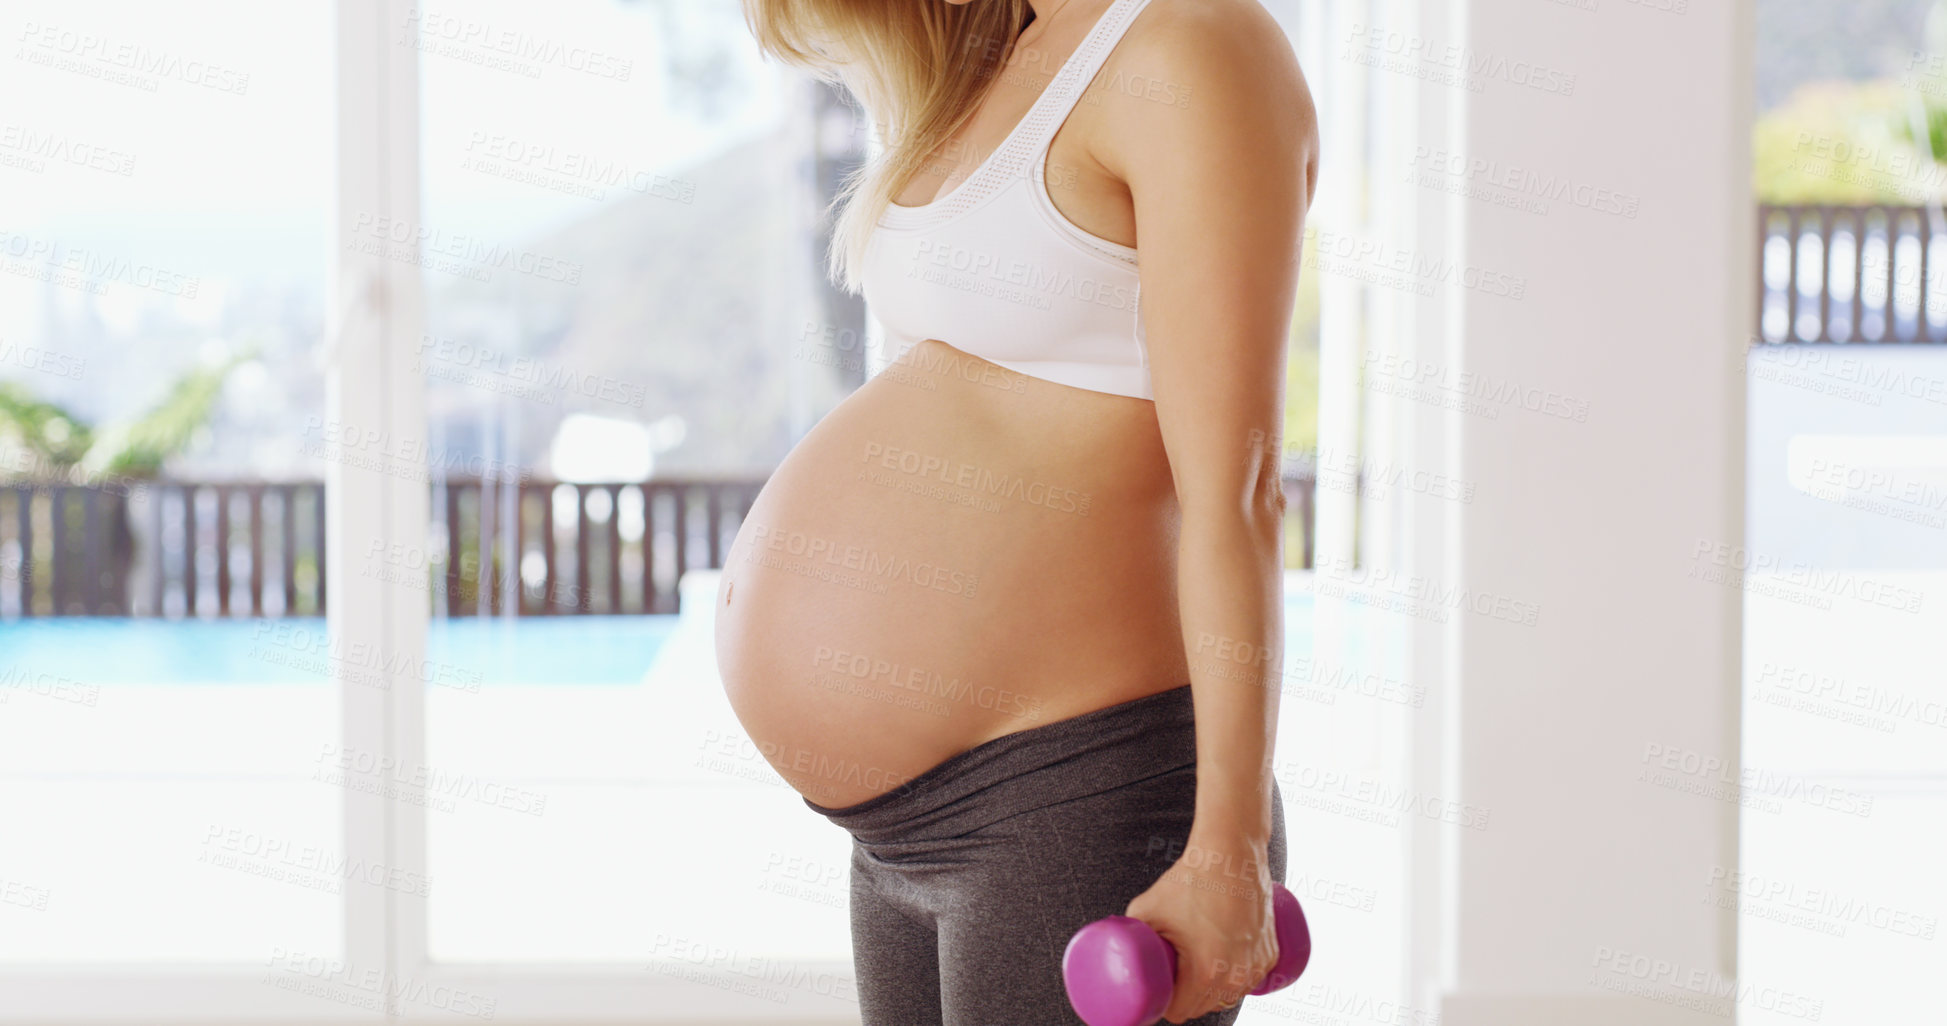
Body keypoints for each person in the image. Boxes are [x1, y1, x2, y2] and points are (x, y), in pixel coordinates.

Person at [716, 0, 1318, 1021]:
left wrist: (1229, 848)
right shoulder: (994, 59)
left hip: (1076, 794)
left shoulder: (1193, 45)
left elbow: (1239, 495)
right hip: (905, 831)